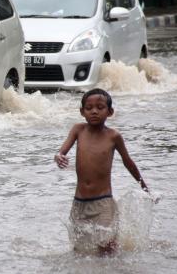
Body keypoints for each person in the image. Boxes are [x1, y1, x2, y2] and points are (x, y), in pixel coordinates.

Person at [54, 88, 149, 255]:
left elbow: (128, 163)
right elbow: (61, 152)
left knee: (107, 248)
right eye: (89, 108)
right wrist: (59, 156)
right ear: (82, 112)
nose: (94, 111)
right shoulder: (78, 130)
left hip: (103, 203)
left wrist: (144, 187)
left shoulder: (113, 136)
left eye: (100, 107)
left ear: (110, 112)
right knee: (79, 250)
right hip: (79, 203)